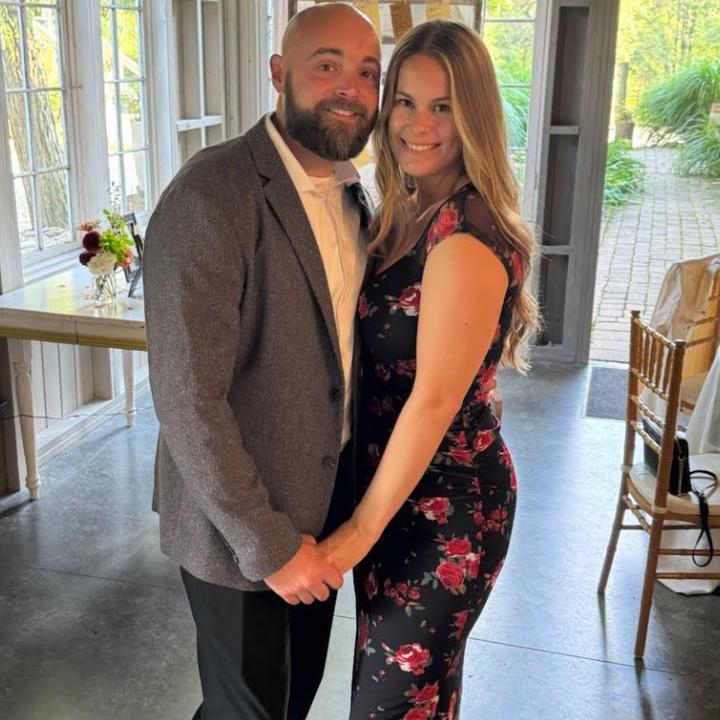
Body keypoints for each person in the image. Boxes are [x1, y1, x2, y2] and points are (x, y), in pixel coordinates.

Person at [142, 4, 380, 719]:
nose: (350, 88)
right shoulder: (212, 195)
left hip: (324, 508)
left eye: (368, 72)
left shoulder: (353, 192)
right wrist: (269, 546)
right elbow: (188, 399)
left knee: (288, 701)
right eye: (327, 65)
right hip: (236, 527)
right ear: (279, 74)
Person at [318, 21, 539, 719]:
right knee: (421, 704)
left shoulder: (464, 236)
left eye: (442, 106)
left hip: (446, 513)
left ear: (473, 116)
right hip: (399, 496)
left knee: (387, 707)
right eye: (405, 102)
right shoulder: (412, 209)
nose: (418, 125)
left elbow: (435, 400)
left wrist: (354, 535)